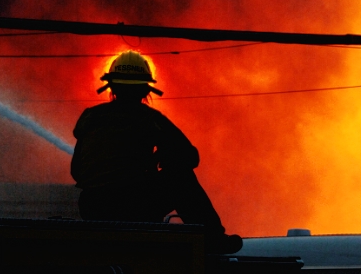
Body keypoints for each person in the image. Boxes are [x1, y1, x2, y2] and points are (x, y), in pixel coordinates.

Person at [70, 51, 240, 252]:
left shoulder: (90, 117)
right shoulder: (150, 119)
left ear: (112, 86)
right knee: (180, 177)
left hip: (92, 209)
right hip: (132, 208)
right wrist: (163, 157)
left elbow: (76, 171)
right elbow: (190, 157)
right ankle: (213, 239)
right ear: (145, 90)